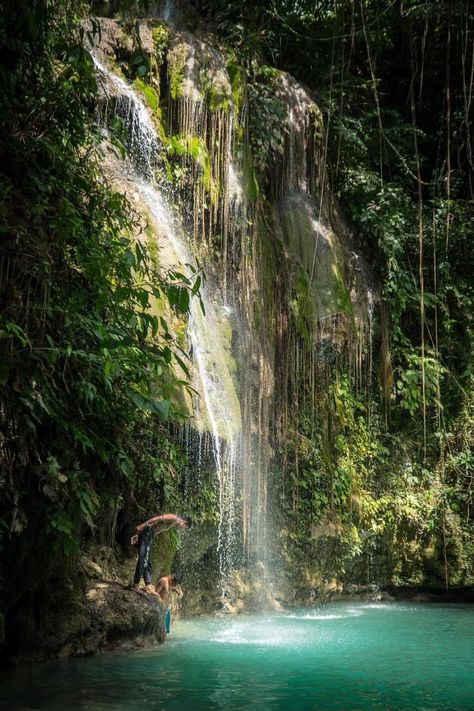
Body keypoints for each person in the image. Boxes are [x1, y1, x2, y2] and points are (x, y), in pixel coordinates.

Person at [130, 514, 192, 596]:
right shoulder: (173, 518)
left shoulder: (173, 522)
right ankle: (136, 584)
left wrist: (139, 535)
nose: (182, 528)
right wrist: (142, 526)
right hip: (147, 532)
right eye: (184, 527)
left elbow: (156, 528)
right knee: (143, 558)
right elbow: (157, 518)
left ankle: (148, 586)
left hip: (149, 534)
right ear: (184, 522)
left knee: (147, 560)